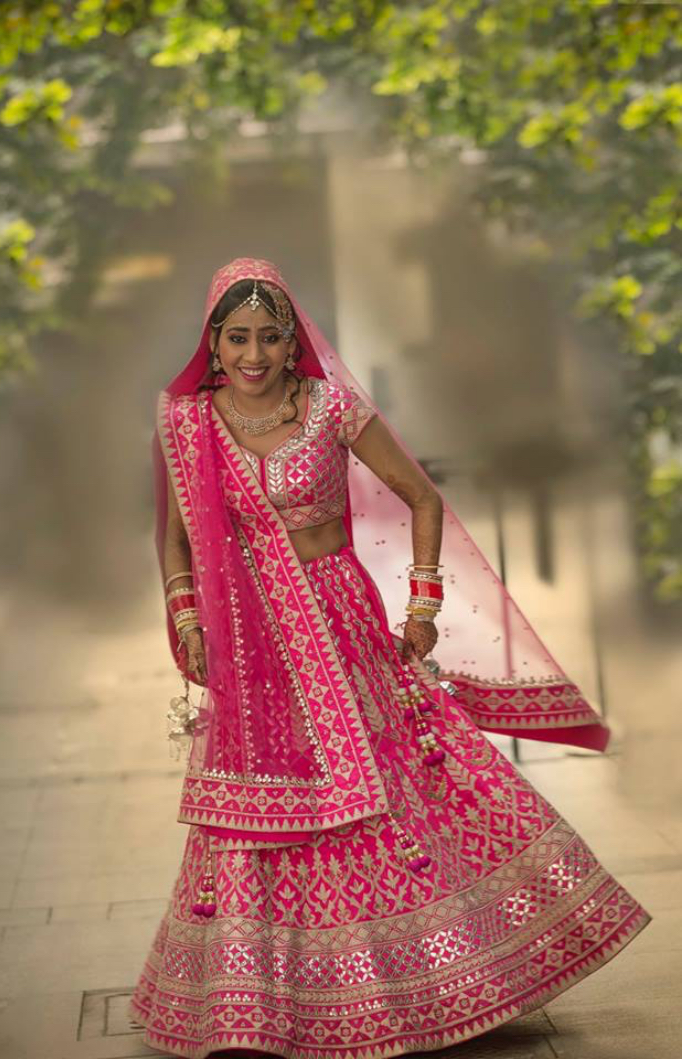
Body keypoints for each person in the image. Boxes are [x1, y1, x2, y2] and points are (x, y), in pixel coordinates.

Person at [129, 257, 650, 1057]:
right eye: (237, 338)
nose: (255, 355)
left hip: (340, 621)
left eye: (271, 337)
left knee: (396, 785)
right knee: (262, 813)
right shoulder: (186, 422)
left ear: (294, 341)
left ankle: (442, 974)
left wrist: (424, 601)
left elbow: (423, 498)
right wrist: (188, 615)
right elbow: (174, 538)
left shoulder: (331, 403)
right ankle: (261, 1000)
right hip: (250, 639)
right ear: (214, 340)